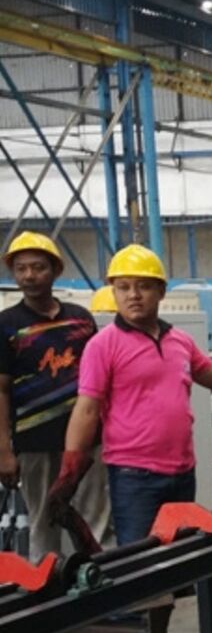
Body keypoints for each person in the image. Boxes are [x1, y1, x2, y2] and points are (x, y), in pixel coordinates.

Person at [53, 243, 212, 633]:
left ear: (160, 291)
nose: (133, 295)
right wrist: (71, 466)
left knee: (171, 565)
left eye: (142, 286)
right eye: (123, 287)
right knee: (138, 566)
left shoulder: (179, 341)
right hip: (134, 473)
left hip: (181, 471)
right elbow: (87, 408)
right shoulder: (103, 345)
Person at [0, 231, 111, 562]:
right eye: (21, 269)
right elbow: (1, 390)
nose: (29, 276)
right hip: (35, 443)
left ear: (55, 270)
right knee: (43, 523)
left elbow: (100, 380)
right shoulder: (6, 325)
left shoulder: (81, 319)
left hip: (87, 441)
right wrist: (4, 450)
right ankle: (47, 587)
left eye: (38, 267)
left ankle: (102, 581)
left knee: (95, 519)